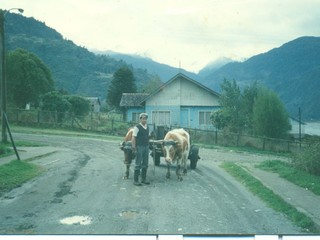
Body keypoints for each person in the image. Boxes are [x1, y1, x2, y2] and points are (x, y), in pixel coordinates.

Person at [131, 113, 150, 186]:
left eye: (145, 118)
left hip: (146, 146)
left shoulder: (147, 127)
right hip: (139, 147)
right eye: (143, 118)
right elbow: (133, 137)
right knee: (138, 163)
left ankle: (143, 179)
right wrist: (134, 147)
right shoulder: (137, 127)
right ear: (140, 119)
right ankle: (136, 180)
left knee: (145, 163)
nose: (144, 120)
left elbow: (147, 136)